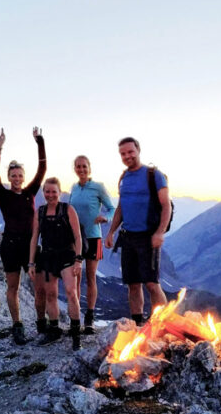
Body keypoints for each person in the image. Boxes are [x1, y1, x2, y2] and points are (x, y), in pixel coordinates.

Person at [105, 137, 171, 326]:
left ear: (138, 150)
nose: (127, 156)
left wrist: (159, 233)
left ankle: (162, 325)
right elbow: (121, 207)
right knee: (133, 284)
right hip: (128, 237)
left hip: (148, 236)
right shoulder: (124, 178)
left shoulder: (153, 175)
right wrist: (111, 232)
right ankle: (137, 324)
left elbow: (165, 205)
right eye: (123, 154)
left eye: (130, 152)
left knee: (151, 283)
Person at [0, 127, 47, 345]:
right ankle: (18, 325)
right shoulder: (2, 194)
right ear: (9, 178)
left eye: (20, 175)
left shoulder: (30, 192)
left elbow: (42, 169)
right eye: (13, 175)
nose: (17, 178)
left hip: (31, 245)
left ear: (23, 178)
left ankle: (41, 322)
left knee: (40, 287)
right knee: (12, 288)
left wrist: (39, 142)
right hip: (11, 246)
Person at [28, 177, 84, 351]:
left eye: (54, 191)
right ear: (43, 192)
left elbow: (77, 236)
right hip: (47, 256)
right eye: (47, 191)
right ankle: (54, 329)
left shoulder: (68, 209)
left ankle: (76, 334)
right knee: (50, 295)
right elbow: (34, 237)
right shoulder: (41, 211)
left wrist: (78, 259)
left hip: (67, 255)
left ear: (60, 192)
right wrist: (31, 263)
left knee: (71, 292)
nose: (50, 195)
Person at [68, 155, 115, 334]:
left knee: (91, 277)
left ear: (89, 168)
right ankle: (77, 315)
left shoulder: (98, 187)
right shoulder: (73, 188)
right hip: (75, 238)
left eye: (84, 166)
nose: (81, 169)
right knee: (76, 277)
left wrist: (106, 218)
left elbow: (112, 208)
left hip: (94, 237)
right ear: (75, 169)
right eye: (78, 166)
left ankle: (89, 317)